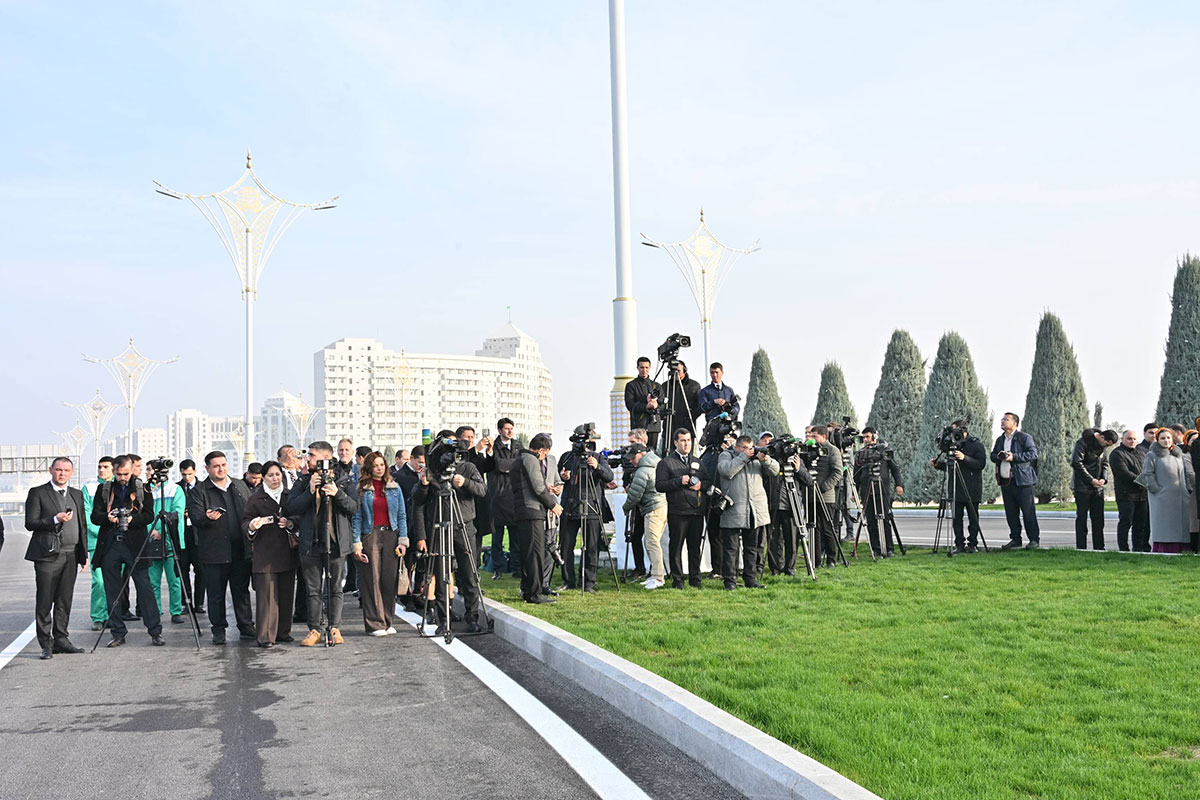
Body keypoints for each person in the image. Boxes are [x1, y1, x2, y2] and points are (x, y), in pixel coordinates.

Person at [411, 436, 487, 633]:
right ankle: (443, 620)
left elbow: (482, 490)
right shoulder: (433, 470)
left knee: (469, 574)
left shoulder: (468, 468)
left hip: (464, 526)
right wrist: (424, 484)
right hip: (439, 526)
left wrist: (466, 483)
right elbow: (417, 501)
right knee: (441, 574)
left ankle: (472, 617)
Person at [286, 441, 358, 646]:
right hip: (311, 542)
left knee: (335, 587)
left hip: (336, 543)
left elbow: (353, 507)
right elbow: (291, 506)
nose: (307, 458)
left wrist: (337, 493)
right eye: (307, 455)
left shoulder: (343, 479)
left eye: (311, 455)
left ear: (325, 458)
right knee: (312, 589)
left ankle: (334, 627)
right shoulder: (303, 480)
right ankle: (315, 629)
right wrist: (309, 491)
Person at [91, 455, 162, 648]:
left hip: (135, 544)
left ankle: (155, 631)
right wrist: (109, 518)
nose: (123, 477)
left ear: (132, 470)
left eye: (126, 473)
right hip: (111, 544)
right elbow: (95, 517)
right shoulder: (104, 489)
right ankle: (117, 632)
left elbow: (148, 516)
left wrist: (132, 520)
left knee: (145, 587)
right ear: (113, 472)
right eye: (119, 474)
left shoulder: (142, 488)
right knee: (112, 591)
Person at [186, 450, 253, 645]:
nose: (221, 469)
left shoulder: (239, 485)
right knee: (215, 594)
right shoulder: (199, 491)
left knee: (241, 591)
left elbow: (250, 510)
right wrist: (206, 517)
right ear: (207, 468)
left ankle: (246, 626)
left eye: (223, 465)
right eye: (216, 466)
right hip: (214, 552)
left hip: (240, 550)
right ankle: (218, 630)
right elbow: (195, 517)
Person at [25, 457, 88, 659]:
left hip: (71, 553)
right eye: (58, 470)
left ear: (72, 472)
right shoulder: (38, 493)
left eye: (66, 470)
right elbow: (30, 522)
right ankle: (46, 643)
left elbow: (82, 525)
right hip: (47, 555)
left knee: (64, 599)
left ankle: (61, 639)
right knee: (45, 600)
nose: (62, 474)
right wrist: (55, 519)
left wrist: (83, 554)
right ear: (51, 470)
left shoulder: (77, 494)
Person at [350, 452, 408, 636]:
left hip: (391, 534)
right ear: (369, 467)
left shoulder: (394, 487)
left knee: (389, 579)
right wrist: (356, 543)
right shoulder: (361, 488)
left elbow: (401, 515)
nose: (379, 468)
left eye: (382, 464)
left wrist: (403, 540)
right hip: (370, 534)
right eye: (375, 465)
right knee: (371, 579)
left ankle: (387, 620)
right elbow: (357, 517)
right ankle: (374, 624)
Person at [242, 461, 298, 647]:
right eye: (271, 475)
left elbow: (299, 517)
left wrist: (290, 523)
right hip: (264, 553)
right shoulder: (255, 498)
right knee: (267, 596)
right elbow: (245, 522)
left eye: (277, 475)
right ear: (264, 478)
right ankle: (266, 635)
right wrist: (252, 526)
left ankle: (283, 632)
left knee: (285, 593)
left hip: (287, 550)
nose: (275, 478)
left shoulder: (290, 496)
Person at [557, 426, 615, 593]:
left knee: (591, 546)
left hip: (591, 505)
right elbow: (559, 475)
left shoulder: (597, 457)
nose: (584, 447)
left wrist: (597, 466)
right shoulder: (567, 457)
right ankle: (568, 580)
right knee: (566, 545)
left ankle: (589, 582)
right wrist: (563, 477)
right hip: (569, 504)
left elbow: (609, 476)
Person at [716, 435, 779, 590]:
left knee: (752, 547)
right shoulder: (727, 455)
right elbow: (727, 471)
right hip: (734, 508)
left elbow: (775, 471)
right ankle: (730, 580)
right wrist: (744, 457)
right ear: (737, 447)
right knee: (731, 548)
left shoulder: (757, 458)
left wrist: (765, 459)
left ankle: (751, 579)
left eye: (751, 447)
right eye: (745, 448)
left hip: (753, 509)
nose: (750, 450)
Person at [511, 433, 562, 603]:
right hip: (532, 512)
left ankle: (527, 589)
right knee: (535, 554)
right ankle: (534, 593)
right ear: (541, 451)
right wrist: (553, 505)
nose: (544, 458)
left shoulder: (520, 458)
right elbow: (538, 487)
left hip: (522, 510)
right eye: (545, 454)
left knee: (528, 552)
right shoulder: (531, 460)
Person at [658, 428, 709, 588]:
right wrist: (678, 481)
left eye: (688, 440)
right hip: (677, 511)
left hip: (696, 511)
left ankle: (695, 580)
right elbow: (659, 485)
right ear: (675, 442)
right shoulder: (666, 462)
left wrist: (701, 485)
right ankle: (678, 580)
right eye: (683, 440)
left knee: (695, 548)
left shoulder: (698, 461)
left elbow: (707, 481)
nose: (686, 443)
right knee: (676, 547)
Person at [931, 420, 987, 554]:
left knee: (973, 518)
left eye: (955, 431)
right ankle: (959, 544)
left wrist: (964, 458)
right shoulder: (951, 445)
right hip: (955, 487)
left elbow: (980, 464)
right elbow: (951, 466)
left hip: (971, 487)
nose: (953, 434)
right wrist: (938, 465)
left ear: (964, 430)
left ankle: (973, 544)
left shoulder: (976, 445)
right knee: (956, 518)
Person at [1139, 428, 1195, 553]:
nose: (1166, 441)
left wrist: (1187, 489)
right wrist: (1157, 491)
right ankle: (1164, 549)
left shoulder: (1178, 454)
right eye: (1163, 438)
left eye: (1168, 438)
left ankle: (1182, 549)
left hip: (1180, 497)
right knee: (1165, 526)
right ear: (1158, 440)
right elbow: (1148, 474)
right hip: (1162, 498)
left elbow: (1185, 473)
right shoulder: (1152, 455)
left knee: (1180, 525)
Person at [991, 412, 1041, 549]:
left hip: (1023, 481)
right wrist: (999, 456)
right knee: (1011, 513)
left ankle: (1034, 540)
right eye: (1002, 419)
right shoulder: (1000, 440)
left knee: (1028, 512)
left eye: (1006, 419)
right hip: (1006, 482)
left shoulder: (1024, 438)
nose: (1002, 421)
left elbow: (1033, 454)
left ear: (1015, 423)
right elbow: (992, 455)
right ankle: (1015, 539)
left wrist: (1014, 457)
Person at [479, 418, 520, 580]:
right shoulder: (493, 446)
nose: (510, 431)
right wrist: (508, 465)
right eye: (506, 428)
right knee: (497, 537)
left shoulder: (518, 445)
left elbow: (519, 463)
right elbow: (496, 464)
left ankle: (517, 567)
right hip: (497, 496)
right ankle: (498, 569)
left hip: (514, 496)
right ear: (499, 430)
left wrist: (506, 465)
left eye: (511, 428)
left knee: (515, 537)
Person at [853, 428, 904, 558]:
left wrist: (899, 484)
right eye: (863, 437)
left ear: (875, 436)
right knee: (870, 520)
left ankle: (889, 548)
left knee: (885, 518)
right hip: (866, 489)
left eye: (868, 437)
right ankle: (875, 548)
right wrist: (855, 491)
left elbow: (895, 468)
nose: (865, 440)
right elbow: (856, 475)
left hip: (882, 488)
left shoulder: (884, 451)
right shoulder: (861, 454)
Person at [146, 466, 188, 624]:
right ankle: (155, 611)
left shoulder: (175, 490)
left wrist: (162, 532)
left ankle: (176, 611)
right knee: (153, 581)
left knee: (174, 579)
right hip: (151, 542)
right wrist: (150, 532)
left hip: (171, 541)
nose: (150, 473)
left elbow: (176, 515)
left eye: (153, 470)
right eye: (148, 470)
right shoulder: (147, 491)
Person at [623, 443, 666, 589]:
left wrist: (626, 507)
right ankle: (655, 574)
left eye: (632, 457)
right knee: (651, 542)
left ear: (641, 454)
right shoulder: (656, 463)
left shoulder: (643, 471)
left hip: (653, 509)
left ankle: (658, 577)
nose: (630, 461)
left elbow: (635, 495)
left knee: (652, 543)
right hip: (660, 507)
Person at [1071, 428, 1116, 550]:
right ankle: (1081, 547)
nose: (1106, 447)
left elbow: (1105, 463)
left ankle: (1099, 547)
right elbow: (1076, 462)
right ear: (1101, 437)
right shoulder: (1083, 442)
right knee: (1082, 518)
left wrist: (1103, 479)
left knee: (1098, 520)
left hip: (1098, 488)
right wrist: (1090, 480)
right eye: (1106, 444)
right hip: (1082, 486)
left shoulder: (1104, 448)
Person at [82, 456, 113, 631]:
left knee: (115, 581)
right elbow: (86, 515)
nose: (102, 470)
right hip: (97, 542)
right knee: (99, 581)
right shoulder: (89, 488)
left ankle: (113, 615)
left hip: (119, 541)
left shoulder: (122, 486)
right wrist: (101, 532)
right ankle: (98, 616)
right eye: (99, 466)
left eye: (105, 467)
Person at [1110, 429, 1149, 552]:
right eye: (1129, 439)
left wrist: (1146, 482)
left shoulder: (1141, 453)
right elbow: (1123, 473)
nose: (1132, 441)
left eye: (1134, 439)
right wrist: (1142, 481)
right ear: (1122, 439)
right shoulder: (1117, 454)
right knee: (1125, 522)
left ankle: (1138, 549)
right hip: (1126, 495)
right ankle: (1123, 549)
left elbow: (1146, 470)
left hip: (1142, 495)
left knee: (1140, 524)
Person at [810, 425, 843, 565]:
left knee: (827, 528)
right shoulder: (811, 450)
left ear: (823, 436)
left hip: (826, 496)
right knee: (814, 529)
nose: (812, 439)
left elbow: (837, 472)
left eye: (815, 436)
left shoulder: (832, 450)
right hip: (811, 496)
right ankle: (815, 559)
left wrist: (824, 487)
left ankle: (831, 558)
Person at [621, 428, 651, 581]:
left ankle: (655, 569)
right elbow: (625, 475)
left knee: (652, 538)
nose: (630, 445)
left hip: (649, 503)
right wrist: (627, 486)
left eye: (633, 442)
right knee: (635, 535)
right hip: (636, 502)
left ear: (642, 441)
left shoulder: (651, 457)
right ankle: (639, 568)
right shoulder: (628, 458)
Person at [175, 459, 204, 617]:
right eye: (184, 474)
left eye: (190, 474)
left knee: (201, 569)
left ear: (195, 471)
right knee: (182, 570)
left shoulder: (203, 487)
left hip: (198, 534)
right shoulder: (176, 488)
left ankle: (199, 603)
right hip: (182, 534)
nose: (187, 477)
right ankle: (186, 602)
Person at [624, 356, 663, 449]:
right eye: (642, 367)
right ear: (637, 368)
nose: (644, 370)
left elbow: (663, 405)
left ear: (649, 368)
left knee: (652, 451)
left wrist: (656, 406)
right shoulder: (631, 385)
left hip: (654, 425)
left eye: (646, 367)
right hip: (638, 425)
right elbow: (629, 405)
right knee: (638, 450)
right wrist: (646, 406)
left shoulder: (656, 386)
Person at [663, 360, 702, 440]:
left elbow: (699, 406)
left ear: (684, 371)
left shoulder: (694, 386)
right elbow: (661, 404)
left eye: (678, 371)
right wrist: (664, 414)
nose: (676, 373)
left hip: (687, 427)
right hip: (670, 427)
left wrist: (691, 415)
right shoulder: (665, 386)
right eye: (674, 371)